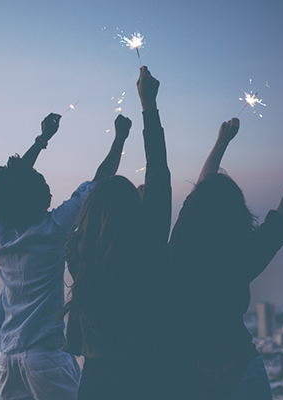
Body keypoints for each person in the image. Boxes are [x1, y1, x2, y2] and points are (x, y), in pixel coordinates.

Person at [168, 118, 283, 399]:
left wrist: (222, 142)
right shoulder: (242, 257)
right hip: (242, 370)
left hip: (188, 375)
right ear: (238, 216)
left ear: (193, 211)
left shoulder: (179, 249)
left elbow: (202, 193)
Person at [0, 112, 132, 400]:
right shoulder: (53, 229)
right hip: (44, 359)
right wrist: (119, 139)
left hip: (7, 359)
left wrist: (41, 140)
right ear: (42, 196)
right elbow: (100, 182)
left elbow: (10, 185)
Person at [62, 66, 171, 400]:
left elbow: (93, 195)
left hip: (95, 384)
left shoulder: (78, 256)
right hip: (148, 380)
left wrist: (120, 139)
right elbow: (158, 174)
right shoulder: (146, 247)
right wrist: (148, 106)